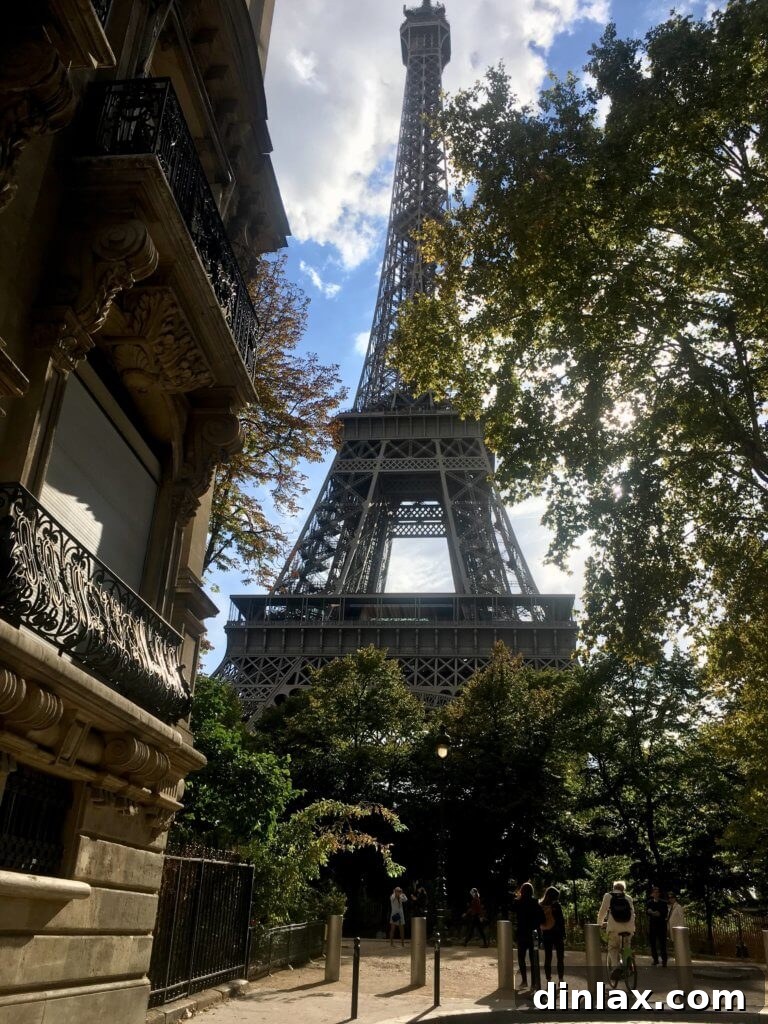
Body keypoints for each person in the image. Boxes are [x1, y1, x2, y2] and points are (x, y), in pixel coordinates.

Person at [513, 882, 544, 987]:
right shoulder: (536, 903)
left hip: (522, 933)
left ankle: (524, 981)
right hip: (534, 934)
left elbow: (513, 913)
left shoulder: (518, 903)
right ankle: (534, 982)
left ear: (522, 891)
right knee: (533, 959)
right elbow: (543, 919)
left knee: (521, 958)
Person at [597, 880, 635, 962]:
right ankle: (627, 963)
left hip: (614, 928)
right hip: (628, 928)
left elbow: (602, 912)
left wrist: (599, 924)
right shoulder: (628, 898)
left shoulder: (608, 896)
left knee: (613, 948)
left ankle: (615, 967)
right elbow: (633, 914)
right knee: (627, 946)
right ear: (623, 889)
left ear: (613, 888)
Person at [539, 886, 566, 983]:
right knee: (560, 957)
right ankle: (561, 978)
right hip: (557, 933)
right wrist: (564, 934)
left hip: (546, 933)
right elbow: (561, 920)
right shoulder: (556, 905)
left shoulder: (541, 905)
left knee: (548, 957)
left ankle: (548, 978)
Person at [646, 885, 668, 966]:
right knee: (653, 944)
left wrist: (653, 912)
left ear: (659, 894)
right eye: (654, 892)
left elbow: (661, 913)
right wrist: (653, 912)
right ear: (652, 894)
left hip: (661, 926)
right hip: (652, 926)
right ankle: (655, 959)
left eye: (657, 892)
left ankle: (664, 961)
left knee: (662, 944)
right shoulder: (649, 902)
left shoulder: (663, 903)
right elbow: (647, 912)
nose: (656, 894)